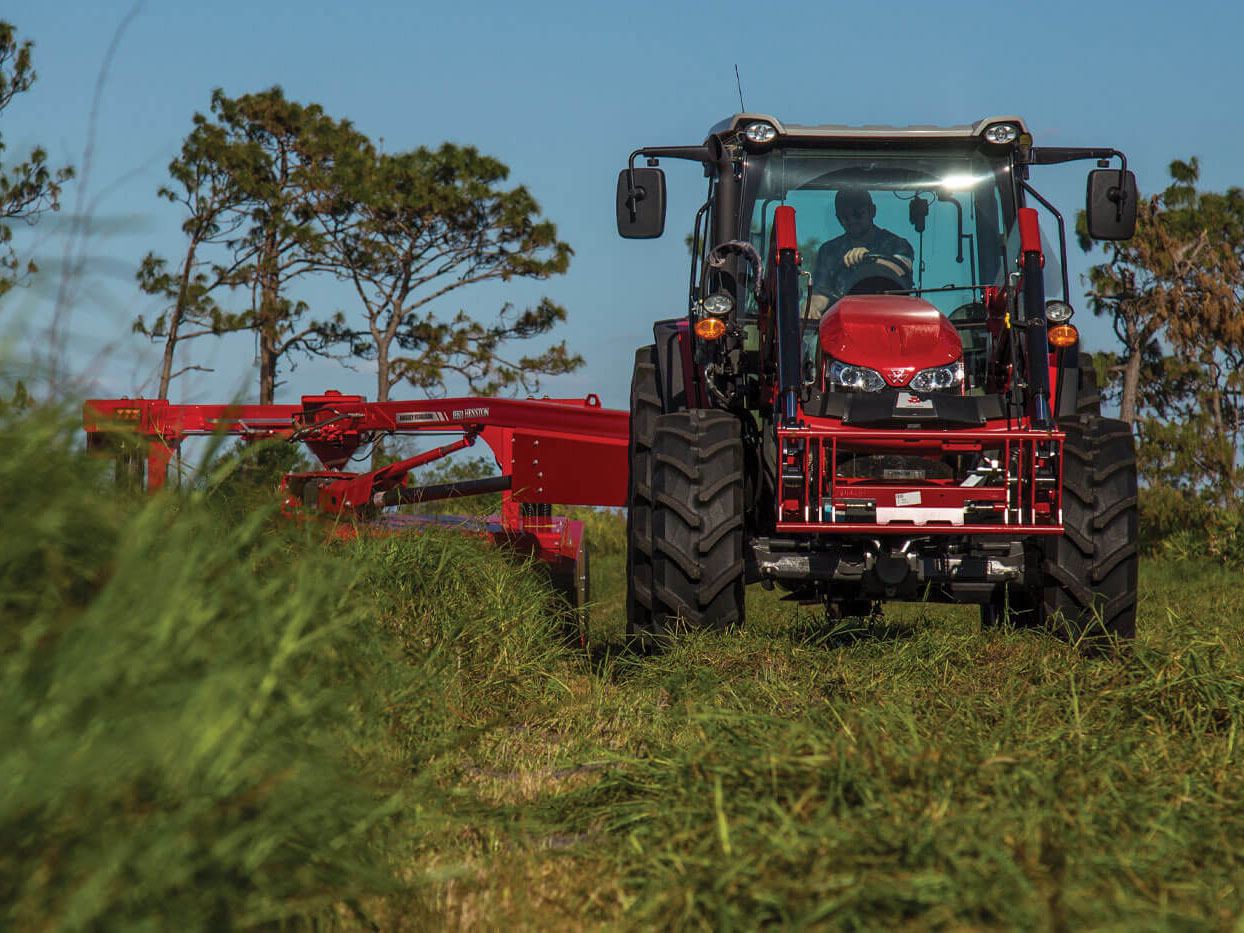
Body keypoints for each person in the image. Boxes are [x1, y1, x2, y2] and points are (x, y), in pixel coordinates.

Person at [807, 188, 914, 317]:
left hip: (891, 321)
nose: (852, 220)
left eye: (857, 214)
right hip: (842, 325)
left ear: (872, 211)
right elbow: (821, 294)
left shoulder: (897, 245)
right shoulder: (828, 251)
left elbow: (900, 269)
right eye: (845, 217)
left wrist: (871, 261)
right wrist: (811, 305)